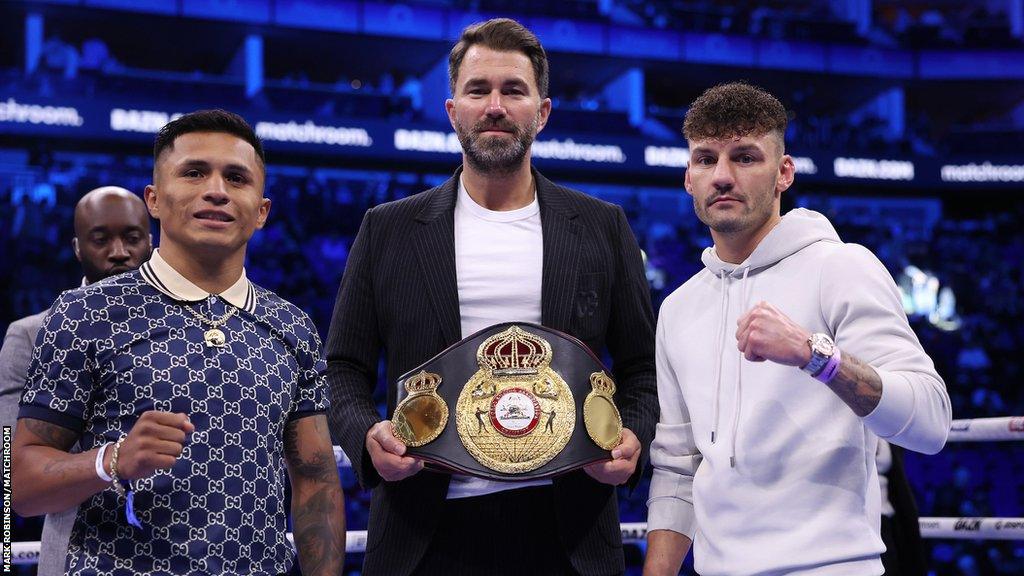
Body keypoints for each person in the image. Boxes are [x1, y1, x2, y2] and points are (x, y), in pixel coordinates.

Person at [326, 18, 657, 576]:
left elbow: (642, 369)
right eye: (478, 90)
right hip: (424, 532)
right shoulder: (388, 229)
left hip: (568, 530)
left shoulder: (602, 226)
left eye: (514, 90)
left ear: (543, 112)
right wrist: (367, 434)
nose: (495, 106)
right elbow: (342, 369)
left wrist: (631, 438)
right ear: (453, 111)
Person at [12, 110, 344, 575]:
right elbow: (22, 484)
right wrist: (113, 460)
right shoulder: (83, 313)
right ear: (154, 199)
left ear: (262, 210)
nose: (217, 190)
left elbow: (315, 480)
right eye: (193, 172)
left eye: (236, 177)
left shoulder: (293, 325)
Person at [643, 82, 951, 576]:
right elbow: (678, 468)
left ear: (784, 172)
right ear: (687, 177)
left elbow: (930, 420)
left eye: (745, 157)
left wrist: (817, 356)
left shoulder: (842, 267)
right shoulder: (679, 308)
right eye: (705, 159)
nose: (722, 176)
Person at [0, 186, 152, 576]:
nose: (119, 251)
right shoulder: (32, 335)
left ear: (151, 242)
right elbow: (10, 466)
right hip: (77, 547)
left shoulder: (193, 328)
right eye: (101, 239)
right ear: (78, 247)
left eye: (132, 238)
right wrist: (112, 460)